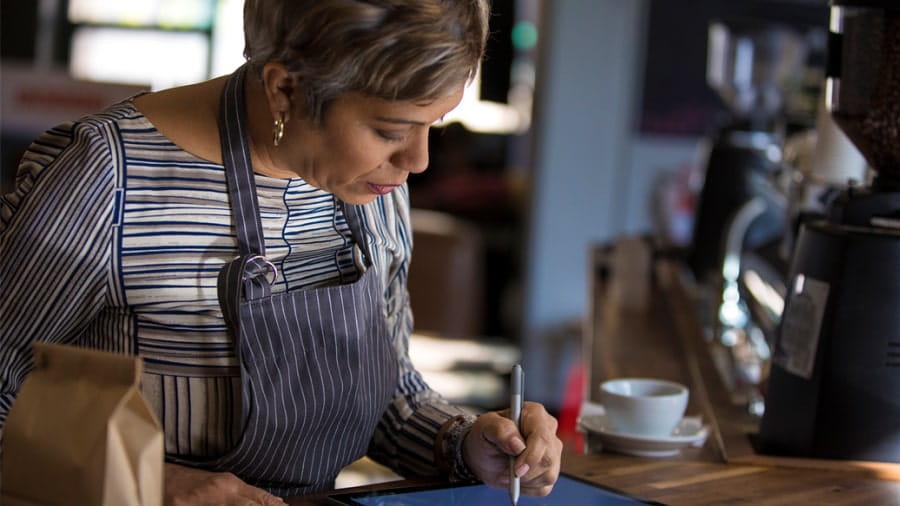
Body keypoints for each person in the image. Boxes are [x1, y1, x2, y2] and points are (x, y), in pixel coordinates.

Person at [0, 0, 563, 503]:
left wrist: (466, 442)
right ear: (285, 90)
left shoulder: (369, 183)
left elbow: (387, 394)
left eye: (432, 125)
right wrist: (151, 482)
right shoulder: (106, 179)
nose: (418, 160)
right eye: (392, 130)